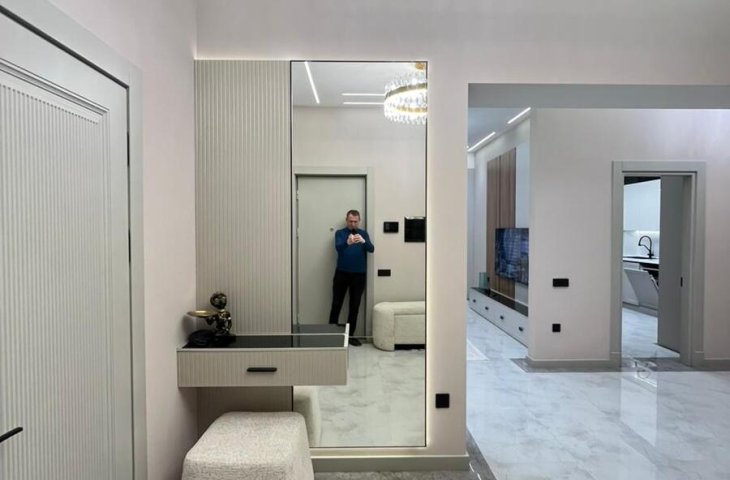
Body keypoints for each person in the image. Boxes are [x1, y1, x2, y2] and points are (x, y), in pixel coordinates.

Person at [328, 209, 374, 346]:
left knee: (354, 306)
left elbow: (371, 249)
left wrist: (364, 241)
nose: (353, 224)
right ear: (346, 220)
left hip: (359, 276)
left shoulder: (363, 234)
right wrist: (347, 242)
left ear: (359, 221)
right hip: (341, 274)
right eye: (350, 221)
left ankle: (350, 336)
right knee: (336, 304)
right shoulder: (340, 233)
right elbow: (338, 248)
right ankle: (331, 334)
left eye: (355, 221)